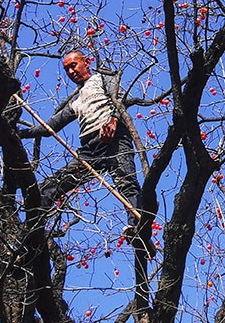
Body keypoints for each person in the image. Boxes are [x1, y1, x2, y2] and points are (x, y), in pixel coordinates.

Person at [20, 51, 152, 255]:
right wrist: (20, 133)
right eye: (67, 69)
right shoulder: (76, 100)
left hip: (115, 138)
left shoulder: (103, 78)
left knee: (126, 182)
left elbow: (120, 98)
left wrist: (114, 119)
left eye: (74, 65)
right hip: (90, 149)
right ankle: (30, 241)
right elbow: (50, 127)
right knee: (49, 187)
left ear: (87, 62)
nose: (71, 71)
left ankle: (138, 230)